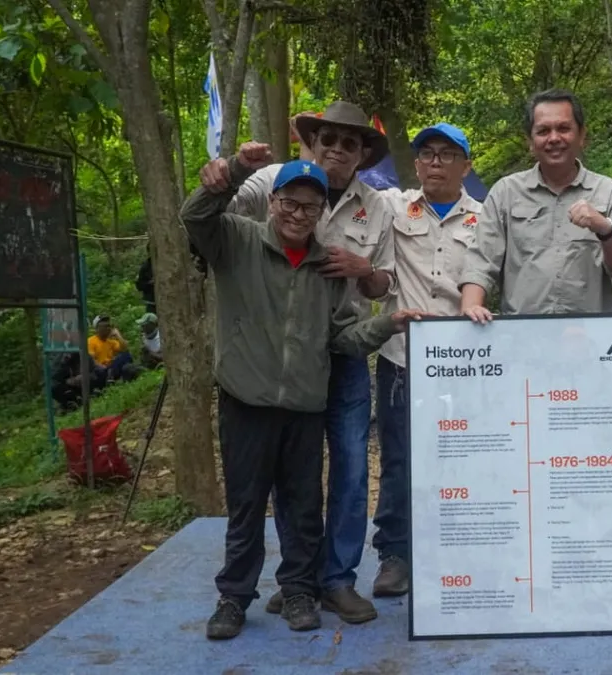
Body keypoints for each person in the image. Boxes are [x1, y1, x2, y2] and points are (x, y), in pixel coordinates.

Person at [185, 142, 425, 641]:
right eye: (289, 203)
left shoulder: (327, 267)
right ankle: (233, 597)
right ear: (273, 203)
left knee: (302, 504)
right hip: (245, 401)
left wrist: (387, 326)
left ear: (320, 213)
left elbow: (341, 337)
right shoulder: (237, 239)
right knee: (247, 505)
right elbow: (195, 215)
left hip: (304, 404)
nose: (298, 214)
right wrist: (230, 170)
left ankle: (298, 590)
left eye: (309, 206)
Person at [223, 100, 396, 625]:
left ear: (363, 154)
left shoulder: (381, 206)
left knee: (347, 469)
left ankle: (337, 581)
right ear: (312, 143)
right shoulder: (273, 183)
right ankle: (297, 581)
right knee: (287, 478)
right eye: (328, 140)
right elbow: (229, 209)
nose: (337, 151)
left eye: (350, 143)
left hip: (345, 350)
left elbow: (385, 284)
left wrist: (363, 270)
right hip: (278, 357)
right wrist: (227, 169)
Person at [371, 122, 483, 597]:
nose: (435, 162)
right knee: (400, 459)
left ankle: (459, 547)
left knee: (465, 457)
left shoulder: (487, 216)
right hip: (403, 357)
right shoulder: (392, 207)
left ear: (466, 165)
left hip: (468, 361)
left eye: (446, 154)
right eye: (427, 154)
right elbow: (343, 188)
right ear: (415, 163)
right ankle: (395, 553)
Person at [458, 88, 612, 321]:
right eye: (543, 131)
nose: (554, 138)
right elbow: (481, 260)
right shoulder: (506, 192)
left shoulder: (610, 191)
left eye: (563, 128)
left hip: (591, 339)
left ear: (582, 135)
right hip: (523, 336)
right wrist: (471, 305)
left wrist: (605, 229)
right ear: (530, 142)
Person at [87, 315, 137, 383]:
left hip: (111, 369)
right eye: (106, 326)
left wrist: (118, 335)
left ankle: (117, 377)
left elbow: (125, 348)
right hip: (100, 370)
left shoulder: (111, 342)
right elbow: (91, 360)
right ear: (97, 328)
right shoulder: (91, 341)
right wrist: (102, 367)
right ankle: (110, 377)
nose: (108, 328)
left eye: (109, 326)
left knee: (126, 355)